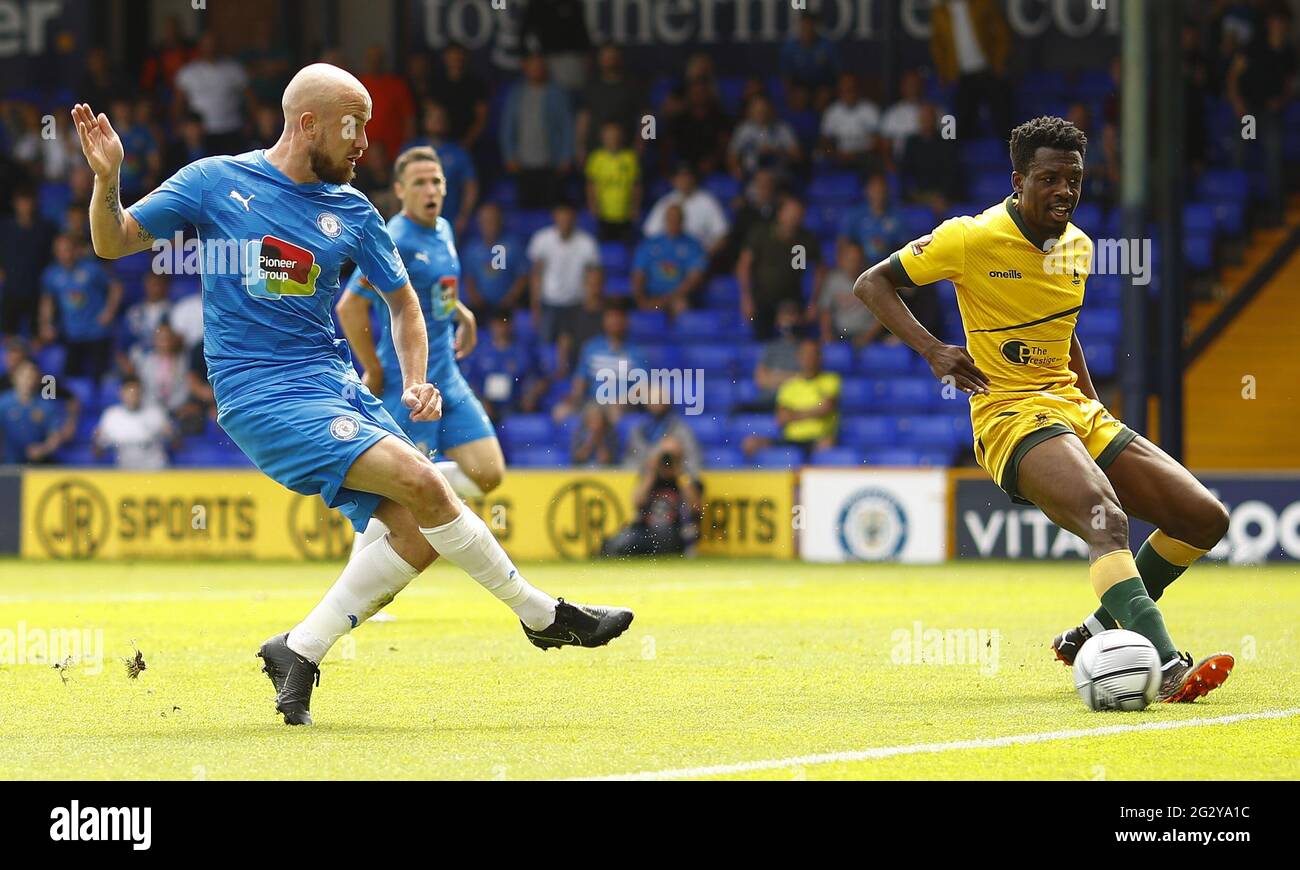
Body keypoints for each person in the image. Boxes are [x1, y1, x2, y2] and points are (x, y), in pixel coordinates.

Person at [72, 63, 632, 726]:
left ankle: (299, 650)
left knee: (422, 529)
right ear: (307, 123)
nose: (367, 139)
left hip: (335, 386)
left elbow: (403, 305)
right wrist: (108, 179)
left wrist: (417, 377)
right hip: (261, 394)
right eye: (355, 124)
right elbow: (112, 242)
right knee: (425, 486)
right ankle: (544, 616)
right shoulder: (215, 182)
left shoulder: (355, 211)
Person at [854, 115, 1232, 702]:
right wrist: (934, 350)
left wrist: (1091, 403)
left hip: (1072, 408)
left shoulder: (1078, 247)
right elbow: (871, 283)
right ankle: (1166, 665)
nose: (1065, 192)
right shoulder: (968, 238)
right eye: (1051, 179)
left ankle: (1094, 632)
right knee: (1106, 519)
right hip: (1008, 414)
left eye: (1074, 180)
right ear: (1019, 180)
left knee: (1206, 519)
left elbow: (1062, 330)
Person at [338, 144, 504, 525]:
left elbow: (433, 287)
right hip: (408, 384)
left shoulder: (443, 229)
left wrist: (463, 314)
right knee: (399, 498)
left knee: (489, 472)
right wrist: (374, 370)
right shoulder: (394, 239)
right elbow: (349, 306)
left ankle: (422, 482)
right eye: (419, 183)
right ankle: (362, 577)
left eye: (435, 182)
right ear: (400, 191)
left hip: (448, 376)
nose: (430, 190)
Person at [600, 436, 701, 558]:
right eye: (665, 455)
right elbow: (637, 503)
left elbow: (696, 507)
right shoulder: (651, 476)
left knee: (660, 534)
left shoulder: (687, 479)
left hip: (674, 531)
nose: (668, 460)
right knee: (618, 542)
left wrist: (679, 473)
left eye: (673, 455)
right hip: (645, 530)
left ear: (681, 457)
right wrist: (651, 472)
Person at [737, 196, 822, 339]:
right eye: (790, 213)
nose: (793, 218)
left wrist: (814, 301)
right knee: (761, 339)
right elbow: (744, 265)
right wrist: (746, 297)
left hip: (792, 300)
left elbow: (820, 270)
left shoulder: (806, 239)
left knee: (793, 338)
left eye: (798, 214)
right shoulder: (761, 234)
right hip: (762, 300)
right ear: (780, 213)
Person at [742, 336, 840, 460]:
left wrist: (794, 414)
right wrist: (813, 411)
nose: (808, 358)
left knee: (827, 445)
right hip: (790, 440)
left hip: (817, 439)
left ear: (820, 357)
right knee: (750, 443)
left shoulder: (830, 379)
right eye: (805, 354)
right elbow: (781, 418)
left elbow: (827, 407)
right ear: (799, 358)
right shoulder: (790, 385)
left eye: (812, 354)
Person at [39, 233, 121, 378]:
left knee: (101, 375)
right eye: (60, 251)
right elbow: (48, 300)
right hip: (71, 333)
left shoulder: (92, 268)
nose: (64, 254)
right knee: (71, 376)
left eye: (67, 249)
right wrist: (46, 324)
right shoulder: (52, 274)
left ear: (76, 250)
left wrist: (109, 311)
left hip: (97, 331)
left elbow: (116, 286)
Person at [527, 199, 602, 350]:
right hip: (549, 302)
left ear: (575, 217)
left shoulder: (587, 243)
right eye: (561, 215)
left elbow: (594, 274)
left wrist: (591, 298)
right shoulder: (542, 239)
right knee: (546, 345)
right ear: (555, 216)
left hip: (577, 304)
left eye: (568, 216)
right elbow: (536, 274)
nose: (565, 220)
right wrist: (535, 305)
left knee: (577, 346)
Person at [631, 204, 706, 316]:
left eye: (677, 218)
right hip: (651, 296)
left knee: (681, 306)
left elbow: (694, 278)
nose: (673, 221)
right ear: (665, 220)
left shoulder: (693, 245)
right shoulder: (650, 243)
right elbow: (638, 273)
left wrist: (670, 298)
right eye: (670, 218)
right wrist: (640, 298)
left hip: (677, 298)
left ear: (682, 220)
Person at [0, 360, 71, 464]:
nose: (28, 381)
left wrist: (43, 449)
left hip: (39, 465)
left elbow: (54, 437)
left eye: (32, 377)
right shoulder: (3, 404)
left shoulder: (46, 406)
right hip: (8, 465)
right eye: (25, 376)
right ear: (14, 378)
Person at [93, 375, 172, 469]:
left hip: (155, 471)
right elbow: (98, 452)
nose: (133, 396)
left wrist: (171, 434)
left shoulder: (155, 413)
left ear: (141, 393)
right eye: (129, 393)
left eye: (136, 393)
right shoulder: (111, 416)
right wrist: (97, 441)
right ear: (121, 393)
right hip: (125, 473)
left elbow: (177, 444)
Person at [462, 203, 528, 314]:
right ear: (479, 222)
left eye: (492, 220)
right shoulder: (472, 248)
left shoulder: (513, 245)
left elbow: (523, 276)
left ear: (500, 221)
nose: (489, 224)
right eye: (485, 220)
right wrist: (477, 299)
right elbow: (469, 278)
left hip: (507, 307)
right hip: (480, 307)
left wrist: (510, 299)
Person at [584, 121, 641, 243]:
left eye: (615, 137)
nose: (612, 140)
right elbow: (590, 185)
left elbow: (635, 185)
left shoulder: (630, 158)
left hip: (625, 213)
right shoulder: (596, 158)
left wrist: (635, 207)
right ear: (603, 138)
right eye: (609, 137)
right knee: (603, 248)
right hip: (603, 213)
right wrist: (592, 204)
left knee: (626, 247)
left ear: (621, 138)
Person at [818, 240, 882, 346]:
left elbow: (883, 315)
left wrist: (868, 336)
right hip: (839, 335)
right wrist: (827, 334)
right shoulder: (833, 280)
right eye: (850, 260)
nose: (853, 263)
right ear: (841, 260)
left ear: (862, 260)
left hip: (868, 336)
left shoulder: (874, 280)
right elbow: (825, 310)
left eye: (856, 259)